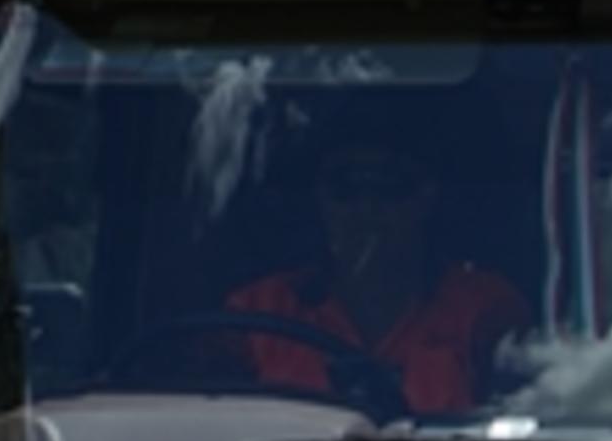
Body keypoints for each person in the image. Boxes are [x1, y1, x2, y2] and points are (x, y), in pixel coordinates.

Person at [218, 135, 526, 417]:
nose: (366, 208)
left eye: (391, 186)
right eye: (345, 187)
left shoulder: (484, 307)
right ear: (319, 198)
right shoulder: (256, 311)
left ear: (427, 196)